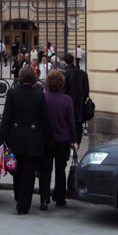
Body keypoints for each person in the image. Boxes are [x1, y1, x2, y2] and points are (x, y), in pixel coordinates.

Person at [0, 65, 51, 215]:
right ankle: (24, 204)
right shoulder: (39, 95)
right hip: (33, 139)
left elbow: (7, 117)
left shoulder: (12, 93)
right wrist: (49, 140)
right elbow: (45, 121)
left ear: (20, 77)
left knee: (17, 170)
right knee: (29, 173)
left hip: (15, 137)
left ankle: (19, 198)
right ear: (34, 78)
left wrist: (2, 138)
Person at [38, 69, 78, 209]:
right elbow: (71, 122)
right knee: (60, 169)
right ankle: (60, 197)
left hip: (45, 139)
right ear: (62, 83)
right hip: (62, 139)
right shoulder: (67, 100)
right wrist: (74, 140)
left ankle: (44, 198)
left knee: (45, 169)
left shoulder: (42, 97)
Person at [62, 52, 90, 148]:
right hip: (80, 104)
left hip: (68, 104)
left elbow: (63, 90)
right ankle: (77, 143)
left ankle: (70, 143)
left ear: (65, 62)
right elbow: (87, 90)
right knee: (78, 125)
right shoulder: (82, 73)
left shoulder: (65, 73)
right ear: (73, 61)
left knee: (68, 124)